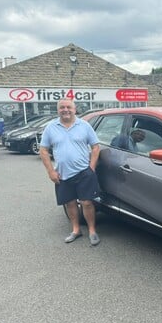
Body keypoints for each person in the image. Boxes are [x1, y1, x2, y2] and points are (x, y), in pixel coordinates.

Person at [39, 98, 101, 246]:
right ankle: (76, 230)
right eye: (62, 107)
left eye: (68, 107)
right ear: (58, 110)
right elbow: (43, 150)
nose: (65, 110)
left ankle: (92, 231)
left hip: (83, 172)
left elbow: (95, 147)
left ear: (74, 109)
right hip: (62, 174)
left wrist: (91, 168)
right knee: (70, 203)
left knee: (87, 203)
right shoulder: (51, 127)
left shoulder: (84, 126)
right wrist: (50, 172)